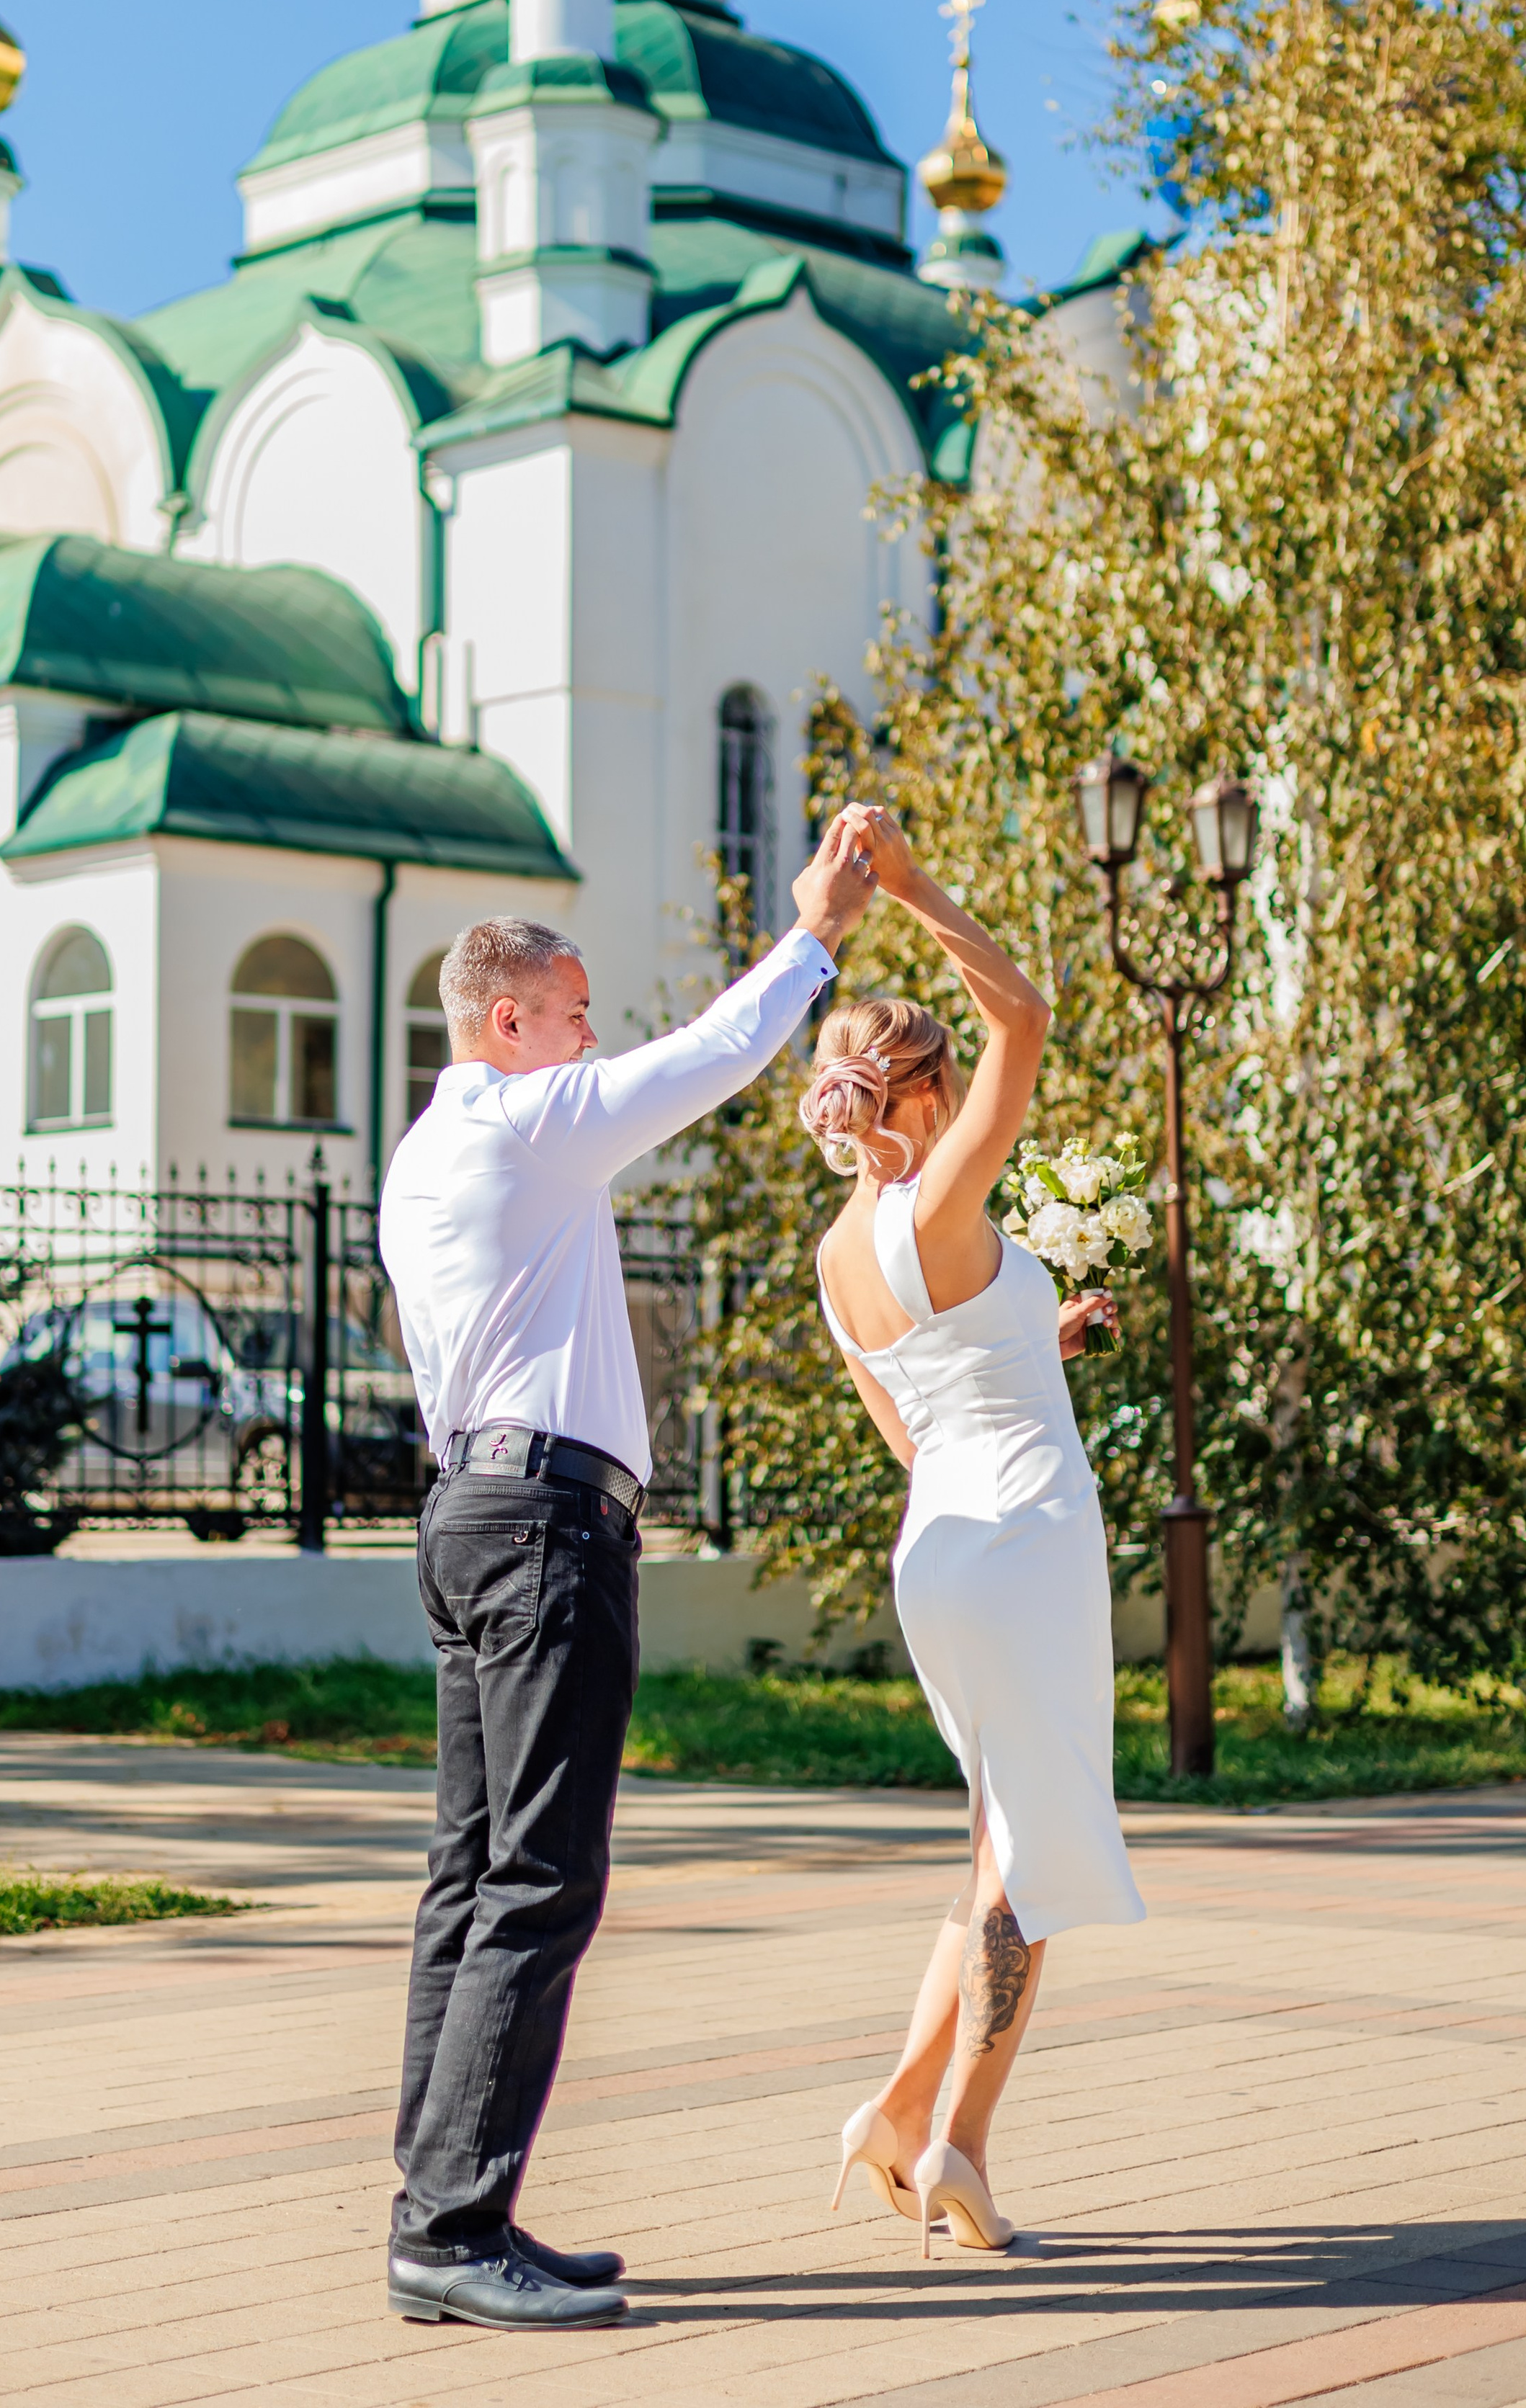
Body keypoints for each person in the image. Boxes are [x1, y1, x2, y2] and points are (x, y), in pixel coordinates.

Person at [379, 815, 876, 2332]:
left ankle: (440, 2208)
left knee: (469, 1881)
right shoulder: (528, 1123)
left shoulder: (426, 1154)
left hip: (472, 1513)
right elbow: (715, 1053)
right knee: (537, 1877)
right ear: (506, 1020)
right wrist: (817, 932)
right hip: (539, 1531)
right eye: (577, 1008)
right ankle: (454, 2230)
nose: (596, 1032)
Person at [805, 806, 1143, 2257]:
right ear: (924, 1092)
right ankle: (958, 2146)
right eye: (948, 1073)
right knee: (1040, 1857)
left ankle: (895, 2110)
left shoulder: (835, 1263)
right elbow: (1028, 1009)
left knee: (991, 1848)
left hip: (936, 1551)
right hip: (1025, 1540)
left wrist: (1037, 1339)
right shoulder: (944, 1191)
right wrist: (913, 888)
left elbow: (922, 1424)